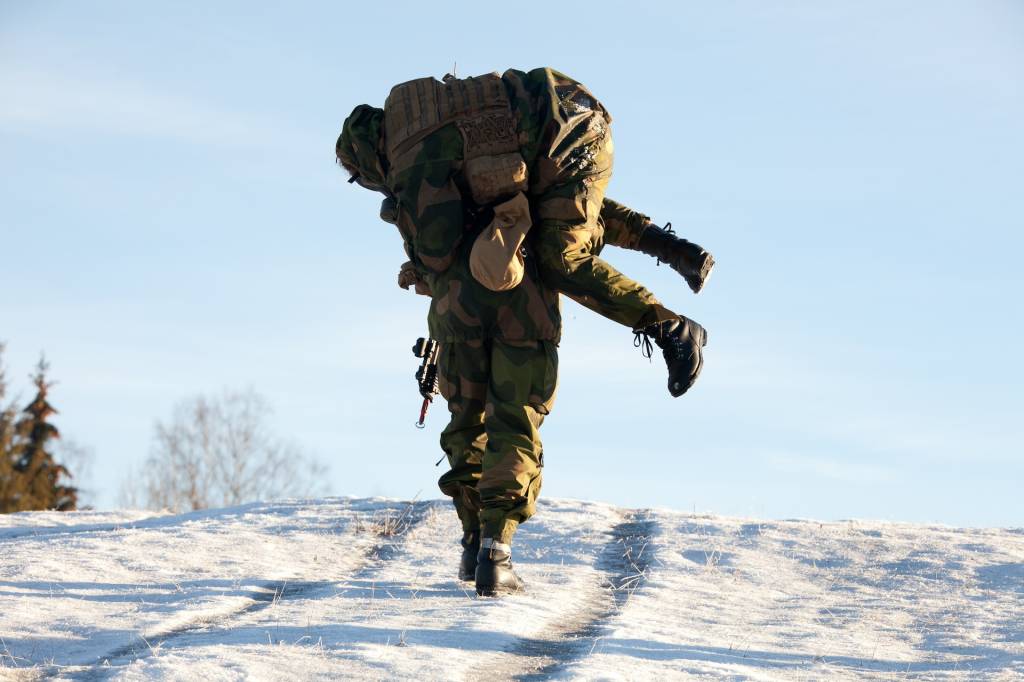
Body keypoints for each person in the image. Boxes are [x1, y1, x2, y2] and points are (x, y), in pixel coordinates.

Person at [336, 67, 712, 595]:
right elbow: (590, 212)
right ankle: (492, 549)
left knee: (471, 421)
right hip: (517, 294)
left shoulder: (413, 157)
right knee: (511, 419)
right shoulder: (470, 149)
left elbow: (441, 247)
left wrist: (419, 255)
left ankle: (669, 326)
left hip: (473, 306)